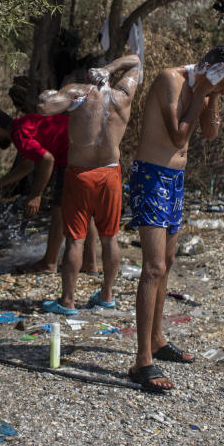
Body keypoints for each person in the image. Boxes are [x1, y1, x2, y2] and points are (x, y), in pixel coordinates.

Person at [128, 44, 224, 392]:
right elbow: (178, 134)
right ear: (209, 67)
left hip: (175, 180)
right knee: (152, 267)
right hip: (151, 176)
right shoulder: (171, 79)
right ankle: (142, 362)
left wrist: (212, 96)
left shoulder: (207, 91)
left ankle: (156, 340)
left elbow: (210, 134)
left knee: (166, 262)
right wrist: (200, 92)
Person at [36, 54, 142, 315]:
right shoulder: (123, 95)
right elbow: (136, 61)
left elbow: (44, 107)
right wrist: (111, 68)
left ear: (87, 73)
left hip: (81, 175)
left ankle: (68, 301)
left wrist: (49, 94)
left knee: (75, 240)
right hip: (110, 174)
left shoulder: (78, 93)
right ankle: (106, 295)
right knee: (109, 237)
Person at [0, 109, 99, 274]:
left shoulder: (19, 134)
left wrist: (36, 195)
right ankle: (90, 263)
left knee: (59, 214)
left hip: (71, 160)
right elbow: (27, 166)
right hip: (90, 151)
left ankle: (49, 263)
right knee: (87, 213)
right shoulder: (26, 123)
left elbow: (47, 159)